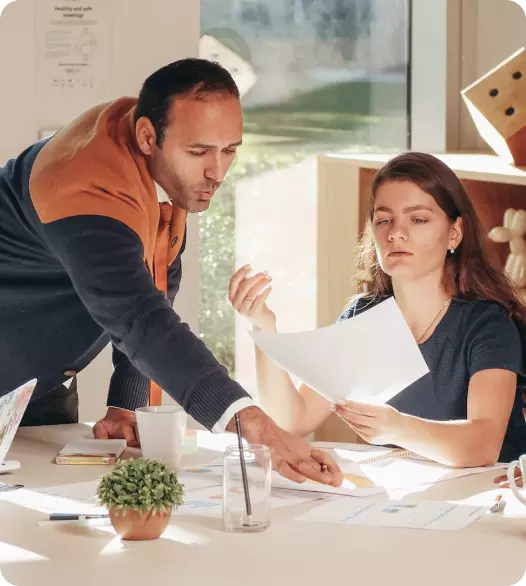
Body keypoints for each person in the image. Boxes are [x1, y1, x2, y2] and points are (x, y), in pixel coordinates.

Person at [0, 58, 341, 487]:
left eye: (230, 150)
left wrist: (126, 404)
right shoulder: (86, 188)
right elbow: (142, 319)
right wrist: (258, 427)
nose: (217, 172)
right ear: (147, 136)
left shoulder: (156, 160)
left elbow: (154, 277)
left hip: (38, 384)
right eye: (199, 152)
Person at [229, 151, 526, 467]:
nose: (396, 232)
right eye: (384, 220)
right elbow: (293, 420)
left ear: (454, 232)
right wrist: (264, 328)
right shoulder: (362, 319)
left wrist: (396, 427)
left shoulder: (489, 325)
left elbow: (483, 445)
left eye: (418, 219)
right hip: (405, 500)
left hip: (491, 503)